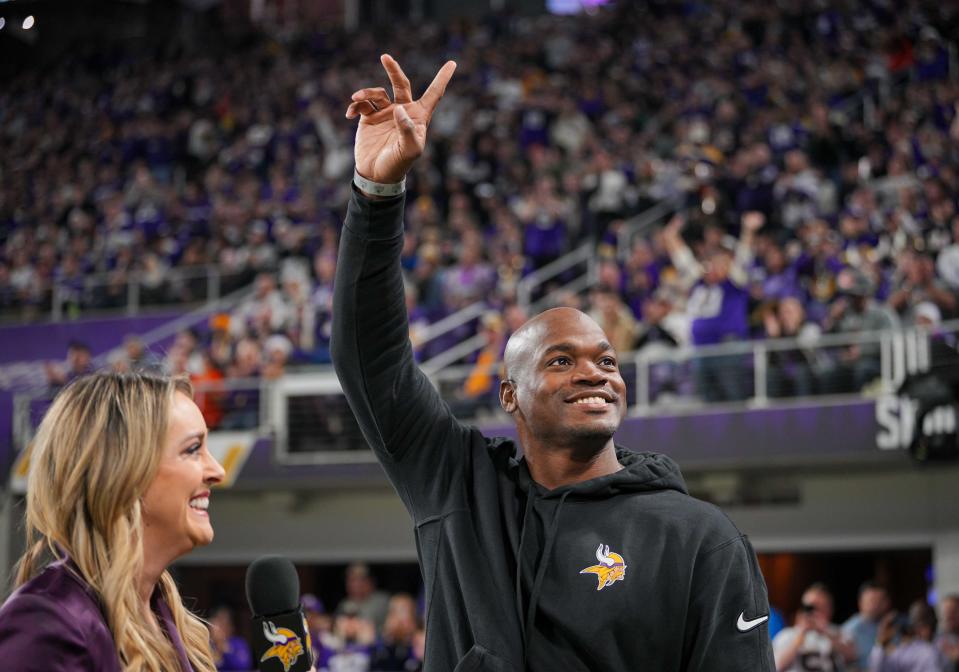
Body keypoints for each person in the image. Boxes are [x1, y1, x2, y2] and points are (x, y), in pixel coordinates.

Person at [331, 54, 775, 671]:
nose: (596, 373)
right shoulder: (460, 488)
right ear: (509, 394)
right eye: (561, 360)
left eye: (607, 360)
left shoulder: (700, 538)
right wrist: (377, 196)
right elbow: (369, 359)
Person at [0, 372, 226, 671]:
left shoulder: (166, 617)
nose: (218, 471)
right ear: (124, 472)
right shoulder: (46, 623)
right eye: (193, 449)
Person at [773, 583, 857, 671]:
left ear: (830, 609)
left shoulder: (838, 632)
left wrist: (826, 632)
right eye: (810, 607)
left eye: (821, 607)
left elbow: (852, 656)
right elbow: (777, 666)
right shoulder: (787, 635)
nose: (815, 612)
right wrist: (800, 636)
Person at [869, 601, 946, 672]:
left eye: (924, 626)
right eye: (916, 626)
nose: (919, 631)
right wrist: (880, 643)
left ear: (933, 625)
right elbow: (877, 669)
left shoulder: (944, 645)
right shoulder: (906, 649)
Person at [843, 582, 892, 671]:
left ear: (887, 603)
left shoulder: (894, 625)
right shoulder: (850, 630)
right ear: (860, 603)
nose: (876, 605)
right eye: (872, 601)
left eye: (880, 601)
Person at [336, 562, 391, 634]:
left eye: (361, 580)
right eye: (352, 580)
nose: (356, 585)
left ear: (371, 582)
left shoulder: (381, 601)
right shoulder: (344, 604)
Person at [209, 605, 253, 671]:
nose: (220, 628)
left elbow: (244, 666)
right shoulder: (207, 645)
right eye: (219, 623)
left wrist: (225, 649)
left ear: (231, 627)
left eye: (224, 623)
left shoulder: (238, 643)